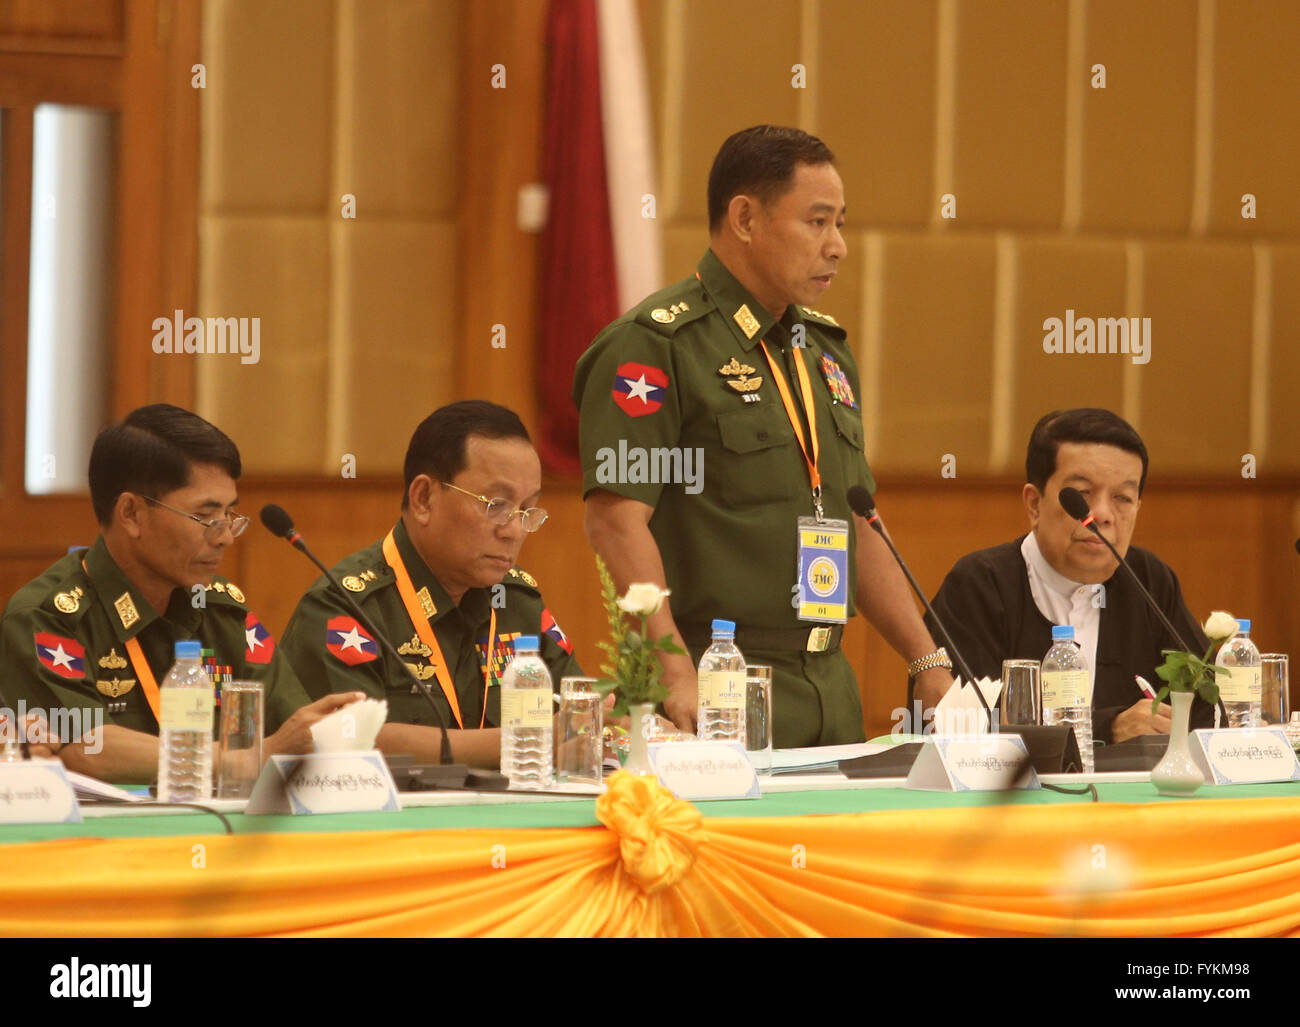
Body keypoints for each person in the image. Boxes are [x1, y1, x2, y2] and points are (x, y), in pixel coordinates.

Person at [572, 125, 953, 748]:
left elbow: (860, 518)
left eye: (841, 224)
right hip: (713, 673)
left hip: (828, 679)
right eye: (817, 222)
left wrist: (926, 659)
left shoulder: (823, 353)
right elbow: (615, 521)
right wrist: (672, 666)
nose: (838, 247)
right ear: (745, 218)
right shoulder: (656, 344)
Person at [0, 404, 360, 783]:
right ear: (132, 514)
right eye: (205, 517)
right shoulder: (46, 617)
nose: (223, 537)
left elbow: (294, 725)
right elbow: (86, 748)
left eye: (229, 516)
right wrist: (245, 759)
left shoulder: (221, 608)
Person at [279, 401, 582, 767]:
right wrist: (526, 743)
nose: (514, 530)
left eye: (526, 509)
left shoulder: (517, 601)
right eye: (496, 505)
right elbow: (344, 737)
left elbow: (580, 713)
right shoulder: (345, 606)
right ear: (423, 499)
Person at [924, 408, 1216, 743]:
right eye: (1080, 495)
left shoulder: (1150, 581)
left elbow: (1205, 708)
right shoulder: (980, 585)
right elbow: (959, 730)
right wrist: (1107, 729)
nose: (1103, 515)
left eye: (1123, 498)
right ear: (1034, 504)